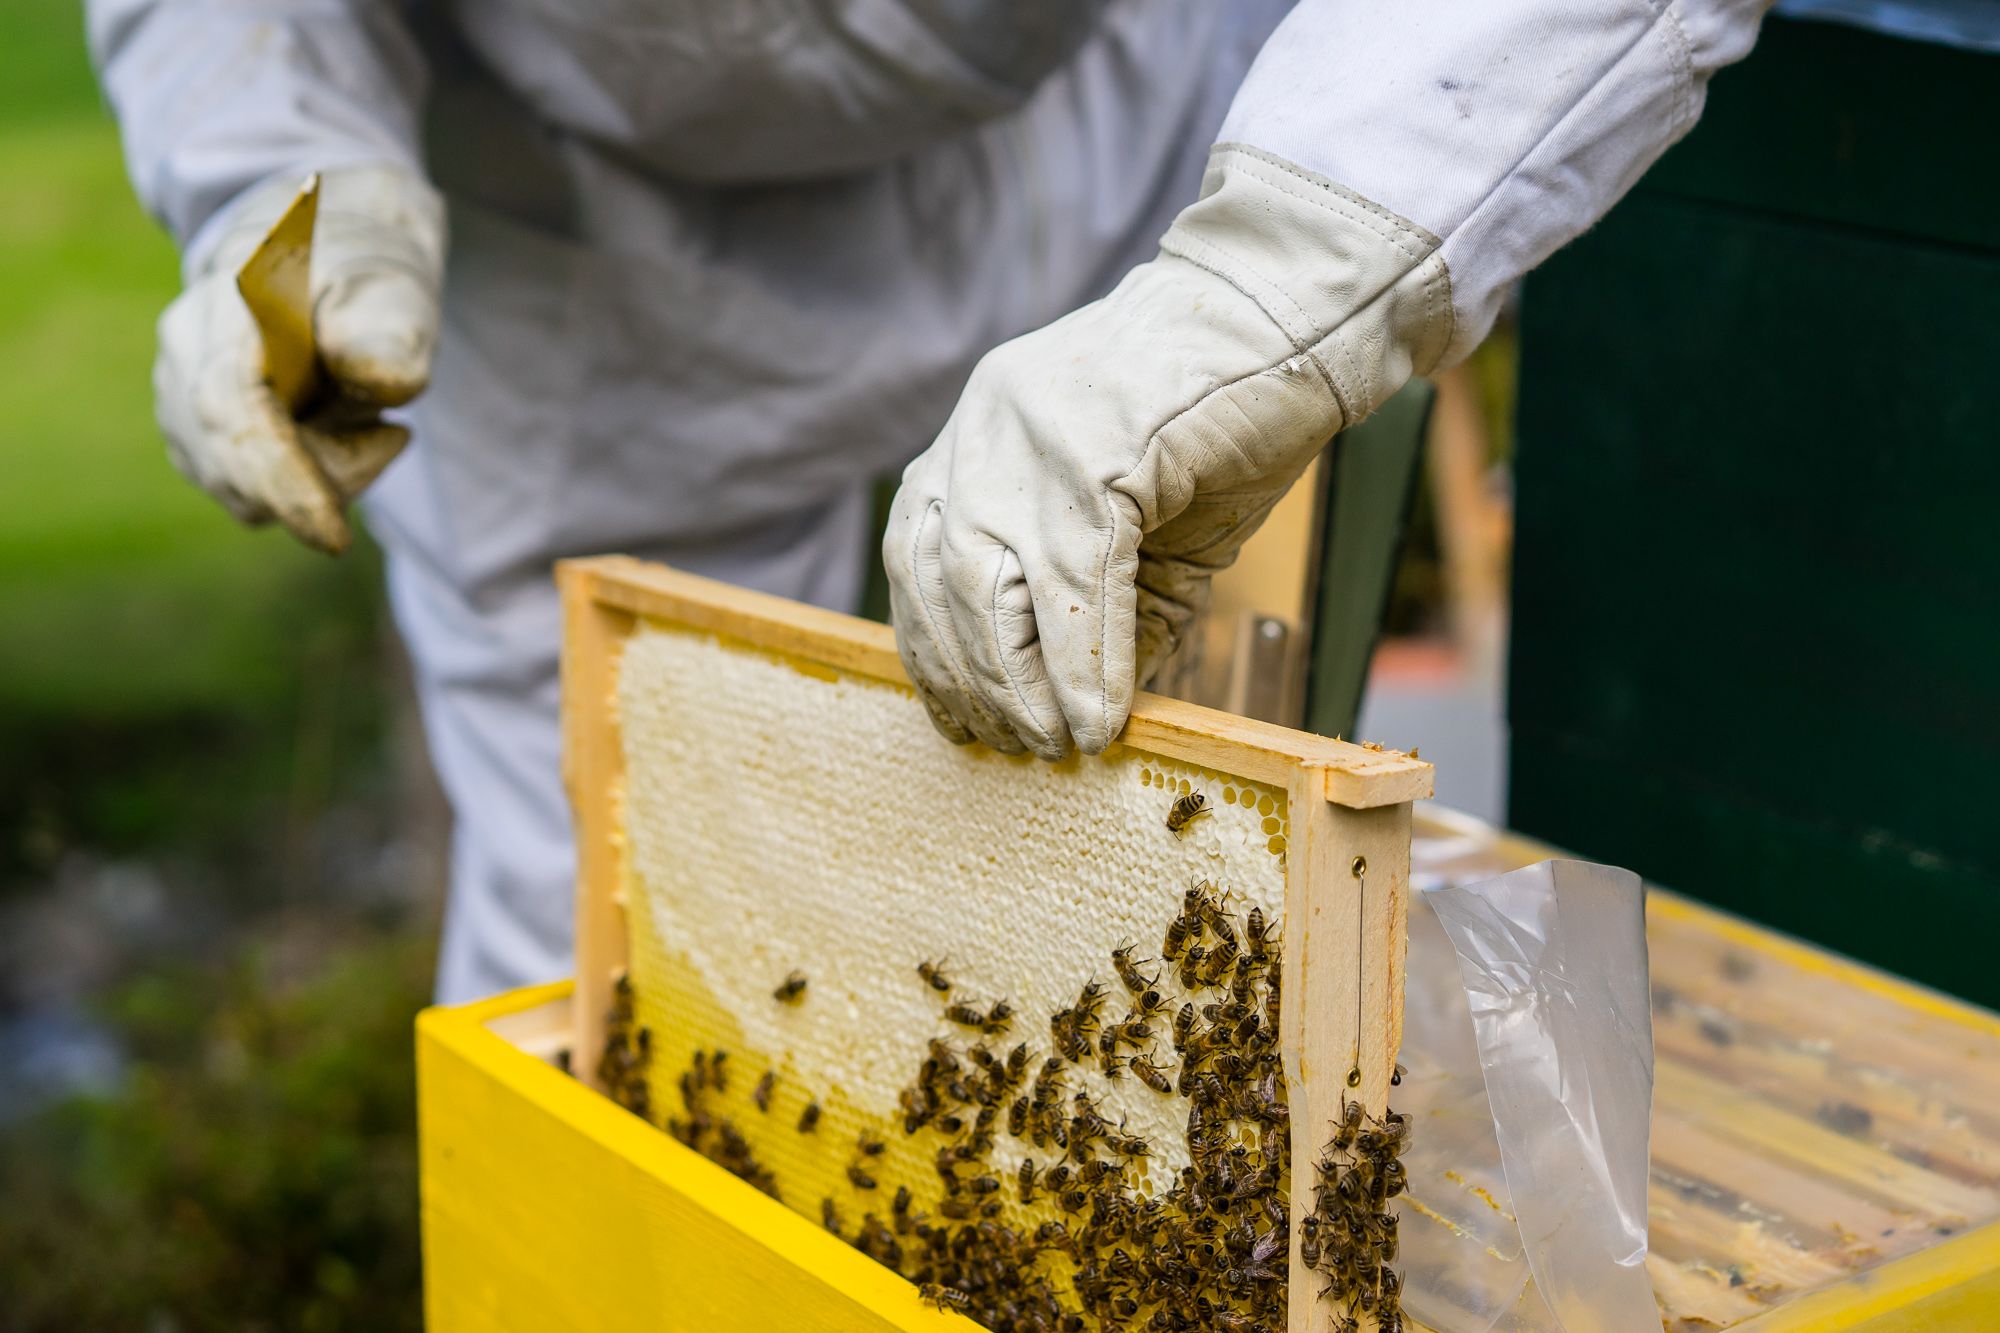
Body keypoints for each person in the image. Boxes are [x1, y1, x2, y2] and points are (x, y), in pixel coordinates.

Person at [91, 0, 1768, 1003]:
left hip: (1151, 110)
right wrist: (281, 170)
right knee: (604, 939)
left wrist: (1288, 275)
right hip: (589, 240)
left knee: (1179, 896)